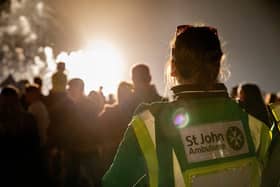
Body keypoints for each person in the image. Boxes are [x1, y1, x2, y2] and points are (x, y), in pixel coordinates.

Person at [102, 25, 271, 187]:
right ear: (218, 65)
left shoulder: (150, 124)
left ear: (173, 68)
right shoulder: (253, 124)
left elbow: (113, 183)